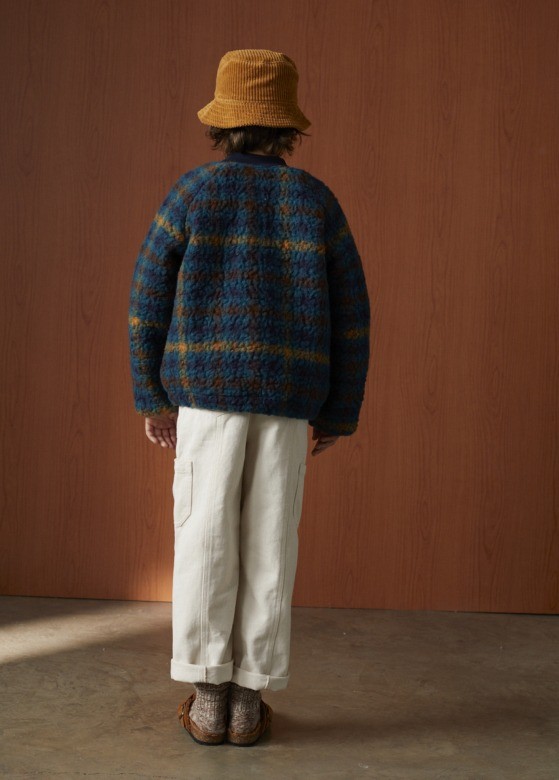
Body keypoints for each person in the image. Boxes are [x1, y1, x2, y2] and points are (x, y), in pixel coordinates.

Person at [128, 49, 371, 747]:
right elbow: (352, 315)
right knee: (270, 545)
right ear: (288, 128)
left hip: (205, 400)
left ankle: (208, 698)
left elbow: (147, 298)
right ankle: (248, 702)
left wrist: (152, 397)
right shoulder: (314, 201)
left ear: (221, 122)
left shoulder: (193, 192)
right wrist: (338, 412)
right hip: (290, 402)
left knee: (204, 539)